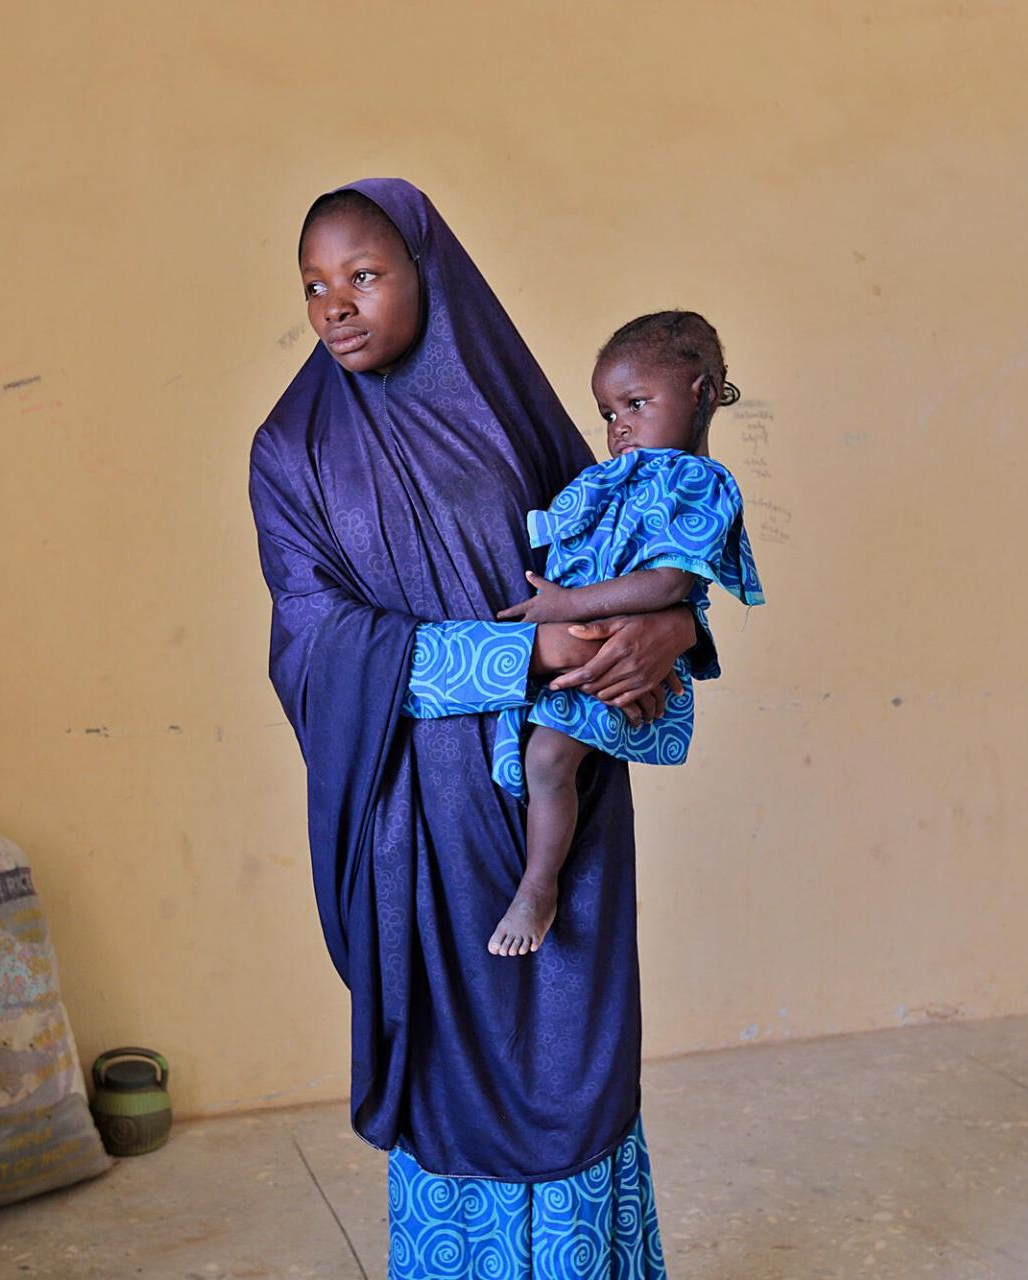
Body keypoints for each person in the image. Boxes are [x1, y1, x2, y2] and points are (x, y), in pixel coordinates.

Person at [250, 179, 711, 1276]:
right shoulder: (292, 448)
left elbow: (621, 552)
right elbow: (317, 639)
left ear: (425, 266)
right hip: (423, 814)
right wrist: (525, 651)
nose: (337, 306)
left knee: (573, 1058)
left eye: (364, 275)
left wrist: (672, 628)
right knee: (462, 1082)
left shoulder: (509, 405)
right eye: (315, 285)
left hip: (567, 796)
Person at [487, 313, 764, 957]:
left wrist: (566, 604)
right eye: (609, 411)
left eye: (636, 403)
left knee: (549, 762)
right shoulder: (617, 477)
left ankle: (538, 888)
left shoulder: (699, 482)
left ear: (699, 392)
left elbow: (669, 583)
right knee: (529, 758)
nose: (620, 426)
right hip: (574, 648)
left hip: (620, 663)